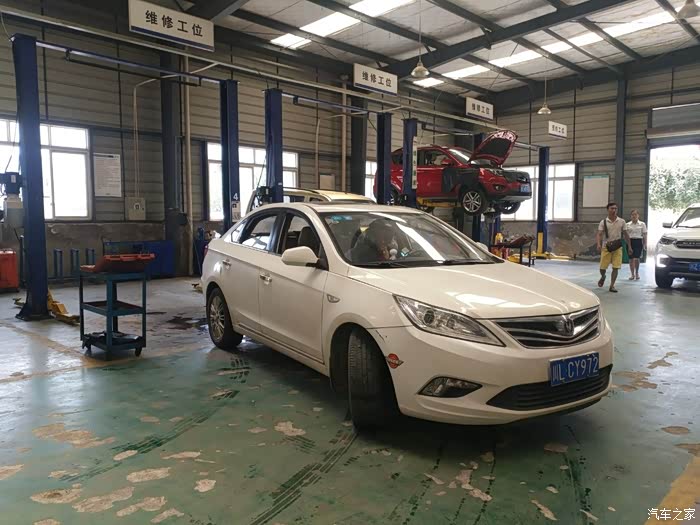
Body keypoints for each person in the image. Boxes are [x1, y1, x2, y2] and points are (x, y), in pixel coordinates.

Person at [597, 202, 632, 293]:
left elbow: (626, 234)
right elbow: (599, 234)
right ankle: (603, 276)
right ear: (608, 210)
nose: (614, 210)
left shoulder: (622, 221)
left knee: (616, 267)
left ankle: (612, 285)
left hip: (617, 247)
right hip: (606, 247)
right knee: (602, 268)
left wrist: (629, 246)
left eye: (615, 208)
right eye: (612, 208)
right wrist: (598, 244)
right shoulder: (603, 222)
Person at [626, 209, 647, 281]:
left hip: (638, 241)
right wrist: (628, 245)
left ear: (638, 215)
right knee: (631, 258)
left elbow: (644, 234)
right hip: (630, 242)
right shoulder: (627, 224)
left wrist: (645, 244)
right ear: (630, 216)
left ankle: (637, 273)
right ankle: (632, 274)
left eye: (635, 214)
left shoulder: (642, 224)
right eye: (632, 214)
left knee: (637, 258)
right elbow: (626, 236)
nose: (634, 216)